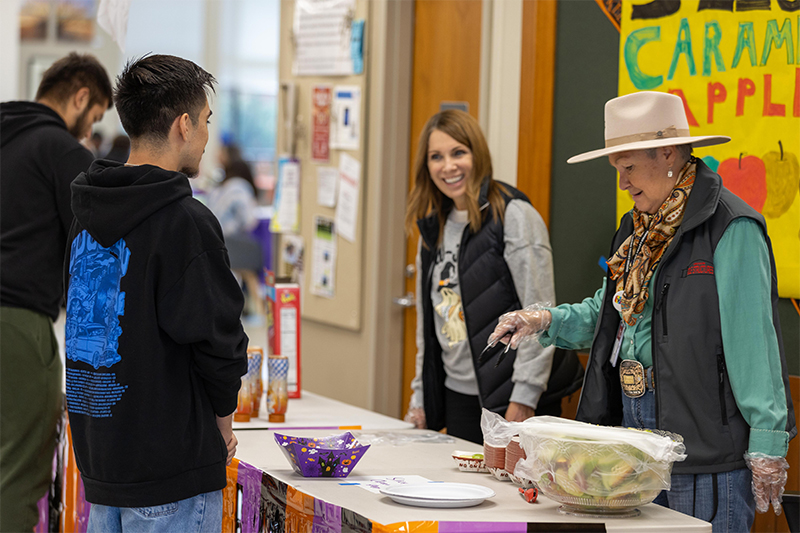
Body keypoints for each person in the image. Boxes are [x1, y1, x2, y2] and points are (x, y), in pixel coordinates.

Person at [490, 91, 796, 532]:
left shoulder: (731, 227)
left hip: (703, 451)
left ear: (668, 153)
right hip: (633, 445)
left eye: (629, 168)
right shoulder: (636, 229)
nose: (623, 184)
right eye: (618, 170)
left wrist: (769, 441)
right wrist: (543, 321)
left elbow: (755, 345)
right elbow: (611, 315)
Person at [63, 54, 248, 532]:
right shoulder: (185, 222)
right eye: (206, 121)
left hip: (103, 464)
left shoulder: (87, 211)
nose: (207, 136)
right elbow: (219, 341)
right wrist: (223, 424)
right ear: (183, 126)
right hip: (172, 474)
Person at [404, 109, 582, 444]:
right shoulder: (432, 228)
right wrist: (421, 397)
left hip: (513, 396)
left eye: (459, 152)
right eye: (436, 157)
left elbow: (541, 310)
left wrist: (524, 398)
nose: (448, 166)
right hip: (458, 396)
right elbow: (428, 325)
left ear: (478, 155)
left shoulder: (513, 215)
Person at [0, 52, 112, 532]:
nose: (89, 133)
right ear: (81, 96)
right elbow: (94, 254)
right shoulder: (63, 152)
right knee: (16, 475)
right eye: (95, 119)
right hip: (19, 326)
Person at [207, 142, 263, 317]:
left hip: (215, 241)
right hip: (231, 243)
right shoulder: (240, 187)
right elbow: (249, 221)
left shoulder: (221, 187)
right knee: (259, 254)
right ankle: (261, 310)